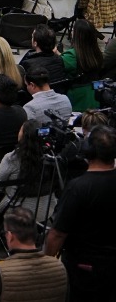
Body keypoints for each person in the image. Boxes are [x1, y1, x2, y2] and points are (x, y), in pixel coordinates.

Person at [46, 124, 116, 296]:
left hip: (85, 269)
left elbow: (58, 234)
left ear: (87, 151)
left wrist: (46, 263)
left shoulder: (78, 188)